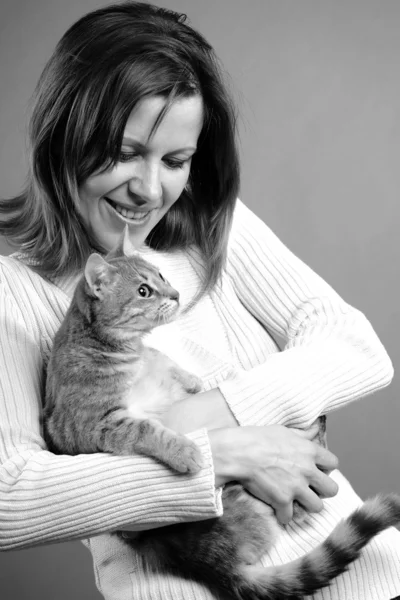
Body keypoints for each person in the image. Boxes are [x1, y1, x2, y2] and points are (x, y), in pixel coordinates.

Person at [0, 2, 399, 599]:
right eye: (126, 152)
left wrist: (204, 415)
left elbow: (356, 347)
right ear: (66, 137)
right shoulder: (12, 290)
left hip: (370, 578)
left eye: (176, 160)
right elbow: (10, 498)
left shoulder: (212, 226)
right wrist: (225, 453)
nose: (150, 189)